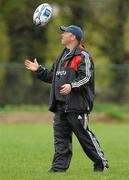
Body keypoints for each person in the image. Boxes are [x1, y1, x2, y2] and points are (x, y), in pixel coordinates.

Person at [24, 25, 109, 173]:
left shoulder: (83, 56)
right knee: (60, 139)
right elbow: (53, 77)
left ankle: (101, 163)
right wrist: (39, 70)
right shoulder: (62, 56)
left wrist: (72, 85)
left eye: (65, 33)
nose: (62, 35)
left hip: (77, 105)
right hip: (60, 106)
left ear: (73, 37)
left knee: (84, 137)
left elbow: (86, 78)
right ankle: (58, 169)